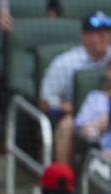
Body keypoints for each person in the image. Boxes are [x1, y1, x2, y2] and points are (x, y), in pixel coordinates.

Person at [40, 12, 111, 165]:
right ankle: (65, 182)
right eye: (98, 33)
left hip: (105, 110)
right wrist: (70, 107)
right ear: (84, 37)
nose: (104, 37)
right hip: (76, 115)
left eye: (107, 32)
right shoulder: (65, 63)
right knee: (67, 125)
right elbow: (45, 101)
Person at [74, 59, 111, 160]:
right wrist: (104, 121)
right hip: (101, 153)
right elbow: (83, 132)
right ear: (107, 72)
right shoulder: (95, 98)